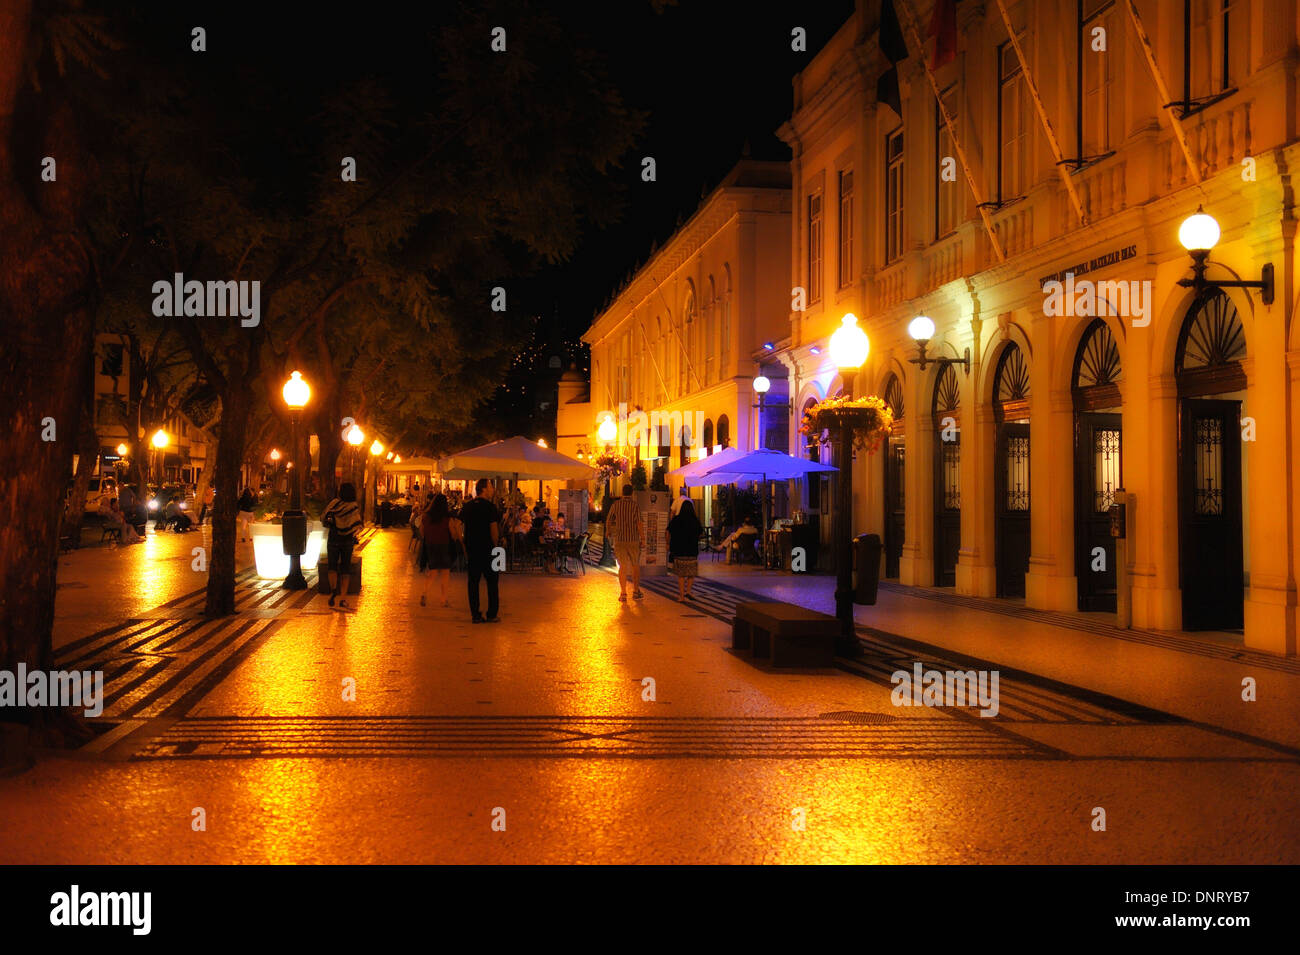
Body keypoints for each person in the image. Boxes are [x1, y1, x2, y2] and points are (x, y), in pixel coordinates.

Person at [460, 478, 501, 623]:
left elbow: (459, 526)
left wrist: (464, 545)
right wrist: (496, 547)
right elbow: (494, 530)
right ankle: (492, 614)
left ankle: (475, 615)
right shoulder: (491, 507)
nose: (493, 490)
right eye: (491, 487)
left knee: (473, 582)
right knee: (493, 583)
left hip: (472, 549)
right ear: (484, 489)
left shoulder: (467, 506)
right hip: (491, 550)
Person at [322, 482, 363, 608]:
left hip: (334, 537)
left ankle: (334, 590)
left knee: (332, 567)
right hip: (347, 540)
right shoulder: (353, 506)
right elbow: (357, 524)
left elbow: (323, 517)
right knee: (346, 569)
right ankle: (343, 598)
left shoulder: (334, 503)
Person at [606, 483, 644, 602]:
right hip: (633, 539)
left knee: (622, 566)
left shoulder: (616, 505)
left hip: (620, 539)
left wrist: (608, 531)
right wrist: (642, 538)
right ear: (632, 493)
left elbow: (609, 519)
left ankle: (623, 593)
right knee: (635, 565)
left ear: (622, 493)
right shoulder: (635, 506)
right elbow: (639, 523)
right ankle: (636, 591)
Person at [418, 493, 455, 607]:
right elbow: (452, 532)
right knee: (445, 573)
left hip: (430, 545)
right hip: (444, 545)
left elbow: (421, 531)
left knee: (432, 571)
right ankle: (443, 599)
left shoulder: (426, 516)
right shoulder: (447, 518)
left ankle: (424, 593)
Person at [667, 498, 703, 601]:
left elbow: (669, 531)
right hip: (692, 551)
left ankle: (682, 595)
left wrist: (668, 544)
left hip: (679, 551)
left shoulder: (676, 519)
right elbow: (700, 533)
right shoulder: (695, 520)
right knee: (691, 573)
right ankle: (689, 591)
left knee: (681, 575)